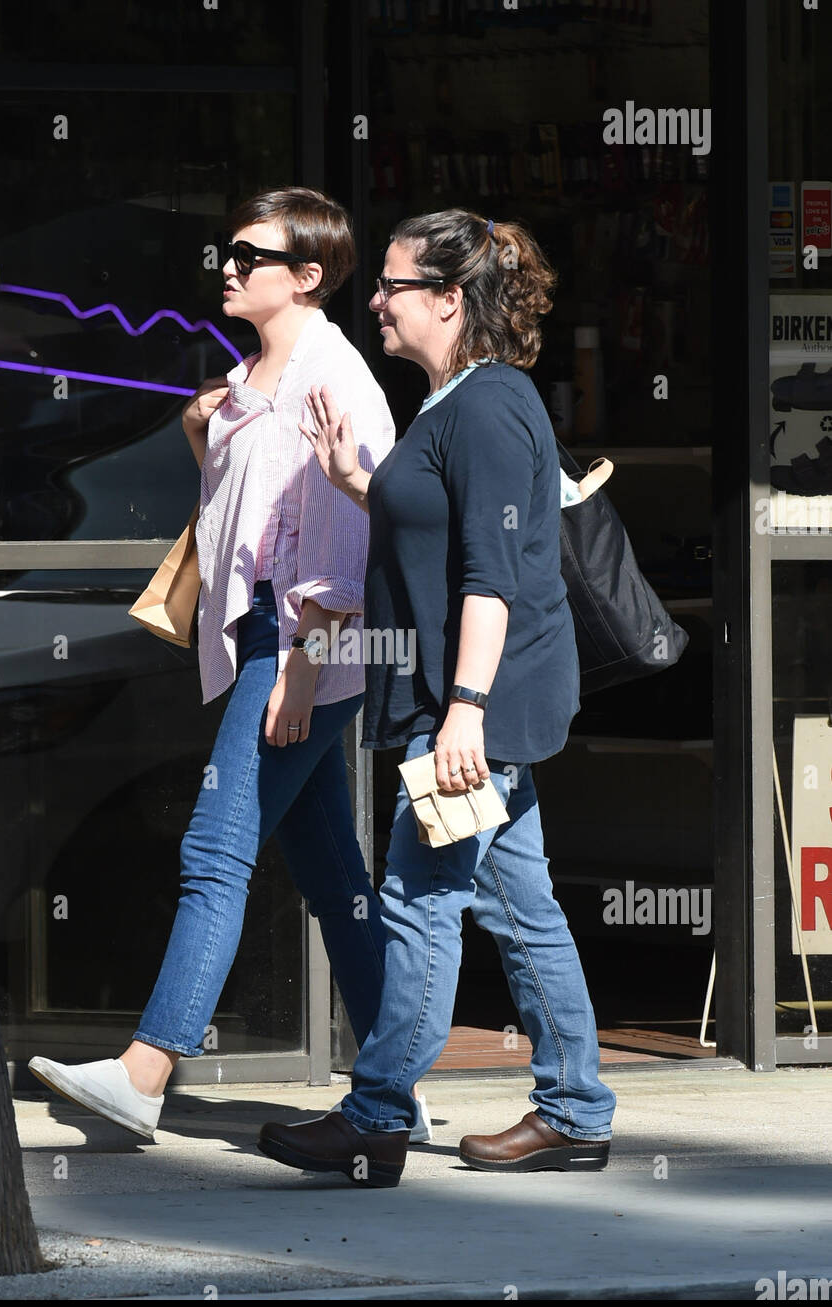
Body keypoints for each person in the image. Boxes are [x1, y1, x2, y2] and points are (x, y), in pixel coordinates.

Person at [27, 187, 437, 1141]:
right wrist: (199, 436)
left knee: (214, 850)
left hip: (305, 643)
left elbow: (346, 543)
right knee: (331, 871)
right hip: (272, 638)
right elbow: (249, 520)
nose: (229, 266)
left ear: (307, 276)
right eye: (229, 251)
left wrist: (301, 668)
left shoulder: (337, 380)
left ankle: (146, 1069)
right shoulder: (252, 378)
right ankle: (397, 1091)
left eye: (250, 257)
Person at [257, 209, 617, 1187]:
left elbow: (491, 575)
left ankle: (376, 1117)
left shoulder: (491, 405)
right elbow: (443, 524)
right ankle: (576, 1108)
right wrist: (360, 482)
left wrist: (464, 710)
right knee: (524, 908)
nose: (374, 299)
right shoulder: (457, 402)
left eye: (392, 283)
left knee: (417, 901)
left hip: (475, 713)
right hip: (472, 707)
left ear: (448, 300)